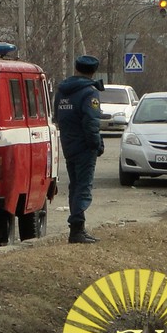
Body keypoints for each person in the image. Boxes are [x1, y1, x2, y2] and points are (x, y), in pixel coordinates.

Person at [54, 55, 105, 244]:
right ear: (93, 72)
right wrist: (96, 144)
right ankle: (77, 230)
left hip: (68, 145)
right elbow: (91, 122)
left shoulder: (62, 91)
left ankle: (77, 228)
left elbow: (58, 117)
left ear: (76, 68)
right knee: (83, 187)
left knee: (74, 185)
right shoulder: (89, 93)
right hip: (84, 147)